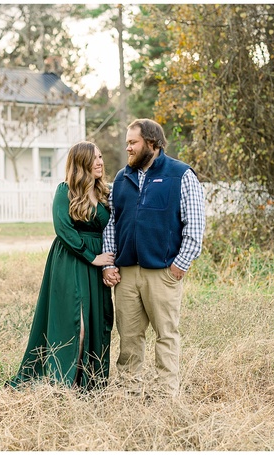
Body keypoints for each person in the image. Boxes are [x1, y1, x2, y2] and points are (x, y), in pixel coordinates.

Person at [102, 118, 205, 399]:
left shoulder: (180, 174)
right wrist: (110, 264)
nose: (128, 149)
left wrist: (178, 267)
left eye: (133, 143)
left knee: (166, 336)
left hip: (163, 273)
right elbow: (112, 224)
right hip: (126, 274)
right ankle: (127, 395)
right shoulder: (122, 179)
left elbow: (194, 227)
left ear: (152, 143)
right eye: (127, 144)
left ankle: (165, 397)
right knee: (129, 339)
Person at [7, 141, 115, 392]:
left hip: (96, 266)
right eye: (94, 158)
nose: (100, 162)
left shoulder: (105, 192)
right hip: (71, 261)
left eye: (101, 157)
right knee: (74, 323)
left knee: (95, 321)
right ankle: (63, 383)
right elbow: (63, 229)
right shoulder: (65, 191)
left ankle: (87, 383)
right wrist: (92, 256)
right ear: (81, 163)